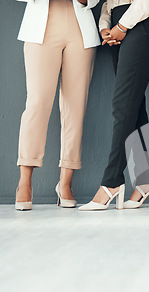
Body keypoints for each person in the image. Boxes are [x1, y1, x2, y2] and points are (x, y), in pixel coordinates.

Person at [79, 0, 149, 211]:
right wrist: (105, 27)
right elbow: (108, 3)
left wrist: (122, 26)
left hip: (142, 23)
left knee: (123, 105)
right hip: (117, 27)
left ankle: (111, 182)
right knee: (133, 105)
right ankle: (145, 179)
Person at [15, 0, 100, 211]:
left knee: (75, 107)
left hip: (80, 27)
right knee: (37, 103)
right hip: (40, 28)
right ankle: (24, 182)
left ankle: (65, 183)